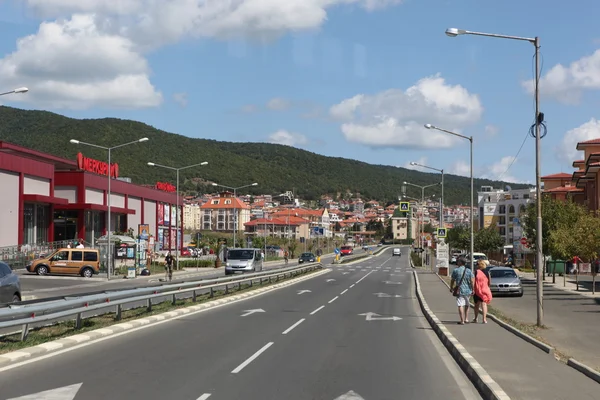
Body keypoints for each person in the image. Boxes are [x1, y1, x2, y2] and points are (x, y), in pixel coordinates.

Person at [450, 257, 475, 325]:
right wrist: (473, 289)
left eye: (458, 261)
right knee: (467, 304)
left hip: (459, 290)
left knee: (460, 304)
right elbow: (472, 281)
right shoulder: (469, 271)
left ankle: (462, 320)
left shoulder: (456, 270)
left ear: (460, 263)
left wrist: (451, 287)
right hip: (468, 290)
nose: (457, 262)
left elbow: (452, 280)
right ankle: (466, 318)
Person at [472, 259, 492, 324]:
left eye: (477, 264)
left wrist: (473, 289)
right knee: (484, 304)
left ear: (479, 265)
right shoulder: (487, 272)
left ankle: (475, 318)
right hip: (485, 290)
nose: (476, 265)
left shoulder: (476, 272)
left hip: (477, 290)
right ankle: (484, 319)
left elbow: (473, 281)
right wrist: (487, 287)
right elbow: (489, 282)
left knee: (476, 305)